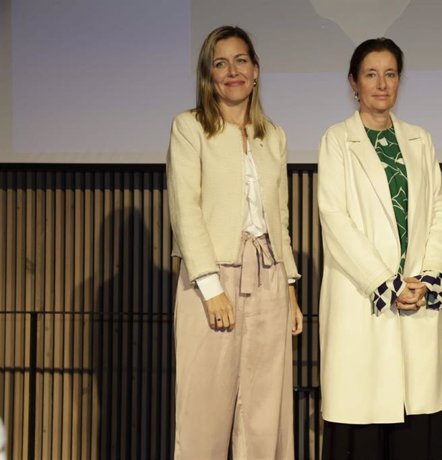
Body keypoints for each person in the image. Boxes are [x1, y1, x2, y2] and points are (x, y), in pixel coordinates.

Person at [167, 25, 303, 460]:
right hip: (212, 278)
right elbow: (185, 208)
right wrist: (210, 287)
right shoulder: (189, 127)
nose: (232, 71)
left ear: (256, 70)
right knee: (203, 410)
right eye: (220, 63)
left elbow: (278, 217)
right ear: (209, 74)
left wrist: (290, 289)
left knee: (265, 413)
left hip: (268, 275)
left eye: (241, 60)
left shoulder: (273, 135)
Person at [317, 38, 442, 460]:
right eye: (371, 74)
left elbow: (438, 211)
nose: (381, 83)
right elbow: (336, 220)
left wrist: (426, 278)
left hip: (416, 299)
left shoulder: (420, 139)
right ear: (353, 83)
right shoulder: (338, 140)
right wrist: (385, 283)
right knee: (362, 417)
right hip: (364, 299)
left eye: (390, 74)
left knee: (416, 422)